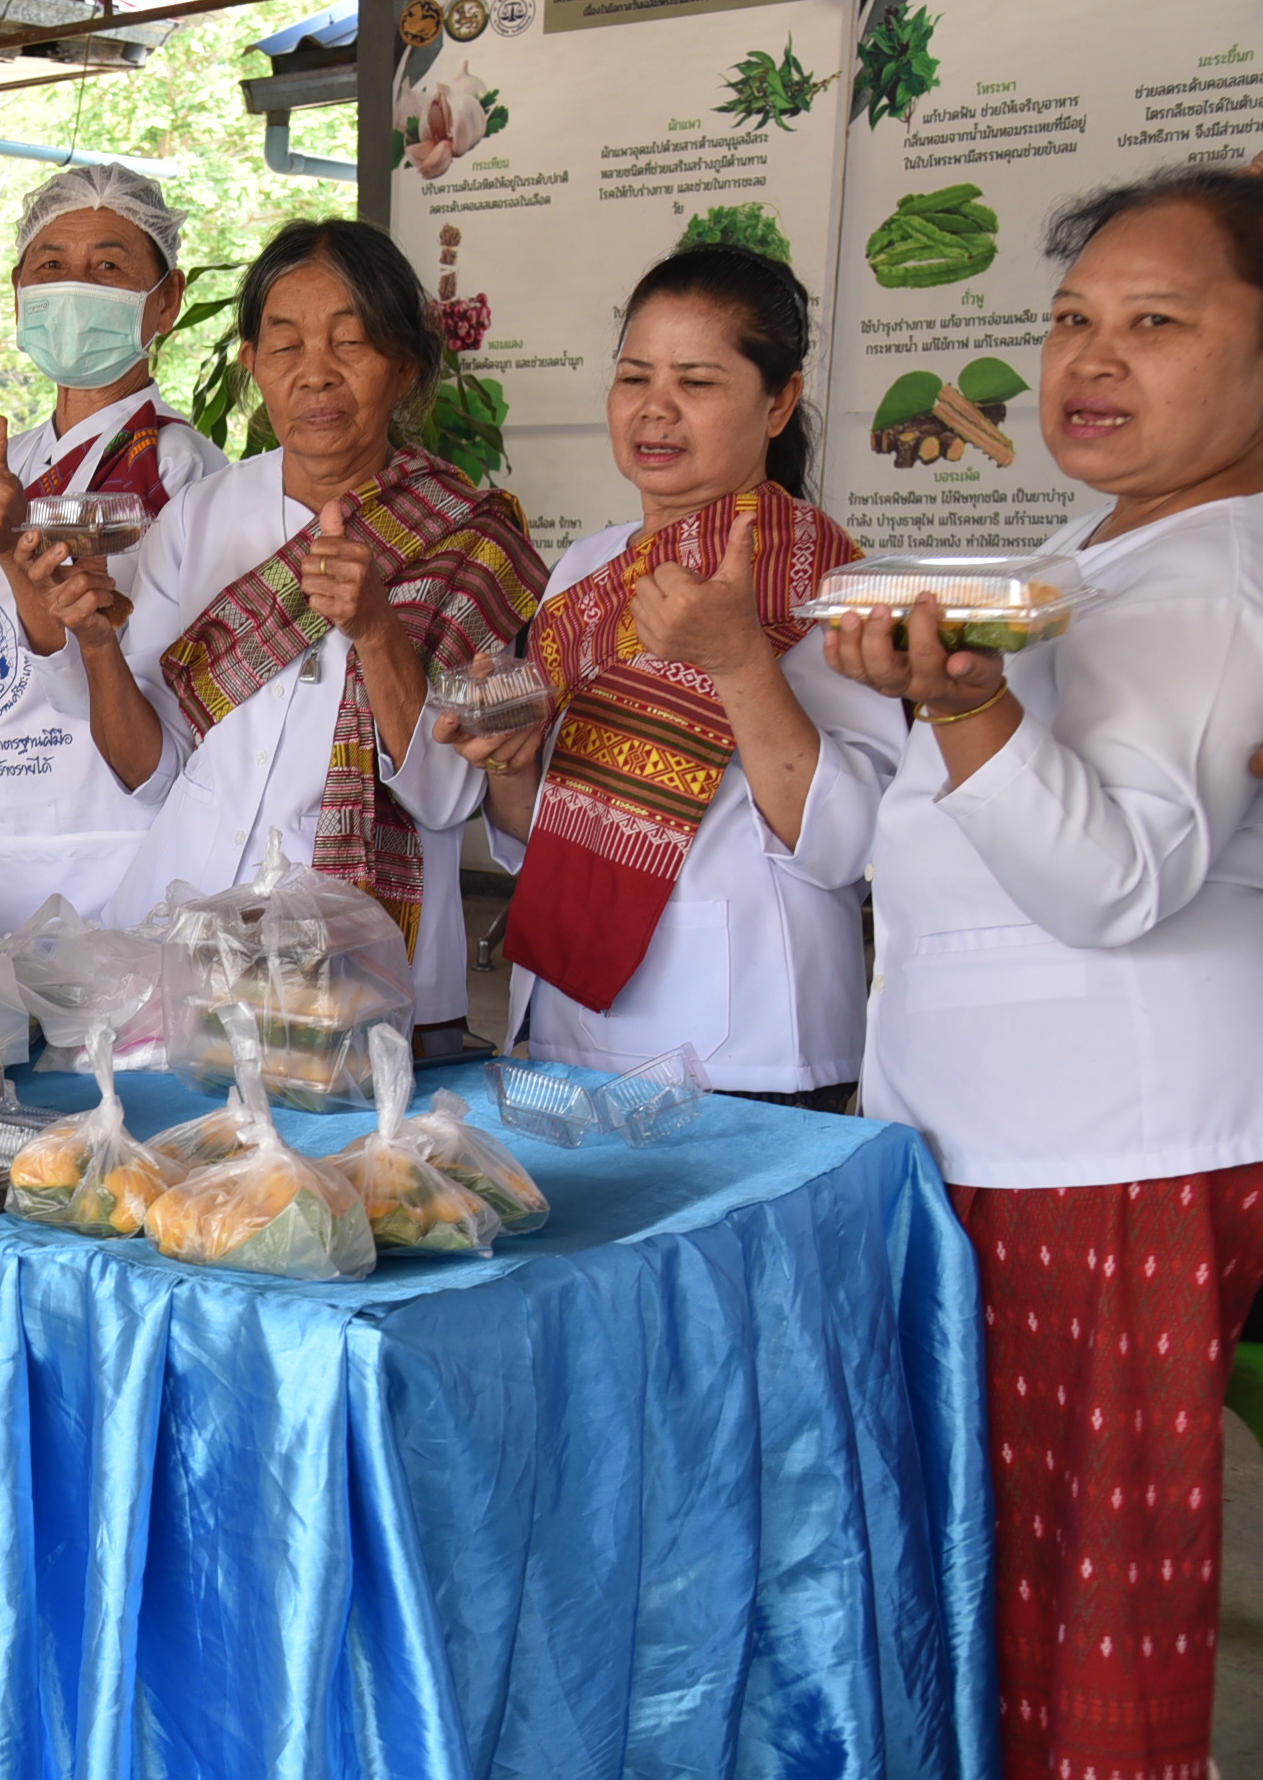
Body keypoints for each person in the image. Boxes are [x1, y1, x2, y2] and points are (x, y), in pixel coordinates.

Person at [832, 167, 1263, 1780]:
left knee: (1091, 1605)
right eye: (1072, 318)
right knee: (1012, 1576)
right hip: (1021, 1143)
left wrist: (956, 706)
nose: (1090, 356)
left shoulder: (1216, 575)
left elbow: (1111, 882)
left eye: (1154, 322)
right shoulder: (1101, 550)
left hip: (1109, 1152)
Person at [27, 219, 545, 1052]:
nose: (315, 375)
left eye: (352, 343)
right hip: (181, 954)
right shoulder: (203, 516)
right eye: (285, 345)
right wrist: (92, 644)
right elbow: (148, 770)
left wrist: (376, 629)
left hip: (361, 970)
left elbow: (449, 797)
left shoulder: (471, 541)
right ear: (251, 367)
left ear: (405, 366)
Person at [441, 248, 902, 1107]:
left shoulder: (818, 578)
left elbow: (848, 842)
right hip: (565, 1024)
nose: (655, 411)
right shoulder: (588, 567)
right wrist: (508, 765)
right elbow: (533, 832)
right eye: (634, 377)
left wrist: (737, 661)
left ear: (781, 402)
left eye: (696, 382)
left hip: (743, 1040)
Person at [0, 164, 224, 934]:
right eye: (50, 266)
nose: (74, 286)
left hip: (111, 840)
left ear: (165, 300)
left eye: (108, 266)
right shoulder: (4, 467)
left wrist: (17, 546)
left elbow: (162, 671)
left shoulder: (179, 467)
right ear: (18, 291)